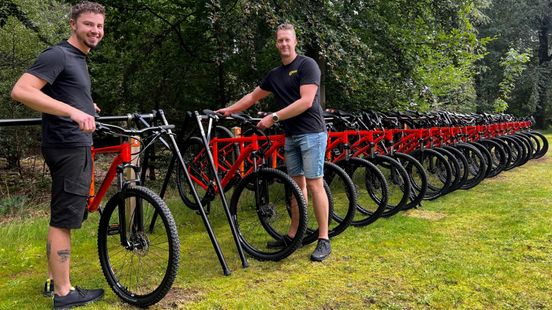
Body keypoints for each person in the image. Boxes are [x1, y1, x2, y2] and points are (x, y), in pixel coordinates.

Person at [11, 1, 105, 308]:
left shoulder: (77, 58)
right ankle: (64, 294)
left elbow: (58, 93)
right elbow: (22, 90)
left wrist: (84, 105)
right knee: (63, 220)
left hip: (72, 144)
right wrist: (73, 110)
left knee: (62, 216)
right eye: (89, 24)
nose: (95, 31)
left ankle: (55, 282)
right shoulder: (58, 54)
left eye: (100, 26)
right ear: (73, 25)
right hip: (67, 146)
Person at [217, 23, 331, 261]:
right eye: (280, 40)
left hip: (312, 133)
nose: (284, 44)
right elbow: (252, 97)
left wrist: (274, 117)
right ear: (276, 43)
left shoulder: (307, 65)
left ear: (295, 41)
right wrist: (228, 110)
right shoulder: (274, 75)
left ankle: (323, 239)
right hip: (291, 136)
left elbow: (307, 101)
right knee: (295, 187)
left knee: (314, 185)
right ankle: (294, 235)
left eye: (287, 40)